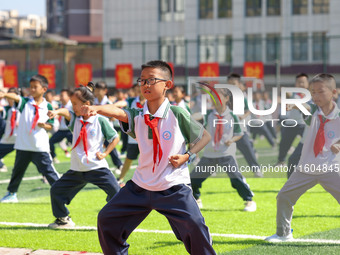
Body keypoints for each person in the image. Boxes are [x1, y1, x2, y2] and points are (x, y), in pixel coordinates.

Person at [81, 60, 216, 255]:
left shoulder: (177, 114)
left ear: (167, 85)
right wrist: (98, 109)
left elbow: (204, 136)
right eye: (142, 80)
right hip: (140, 187)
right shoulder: (138, 116)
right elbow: (119, 112)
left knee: (194, 225)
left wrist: (187, 156)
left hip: (173, 186)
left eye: (151, 80)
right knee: (106, 219)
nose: (145, 85)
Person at [265, 73, 340, 242]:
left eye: (320, 91)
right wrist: (297, 105)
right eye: (313, 92)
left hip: (331, 167)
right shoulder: (314, 111)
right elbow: (307, 108)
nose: (316, 96)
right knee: (284, 196)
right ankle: (283, 234)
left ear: (333, 92)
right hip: (306, 167)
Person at [47, 83, 121, 228]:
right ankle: (63, 219)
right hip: (77, 169)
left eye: (75, 104)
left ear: (87, 104)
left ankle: (116, 218)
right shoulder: (75, 119)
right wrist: (56, 112)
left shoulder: (100, 120)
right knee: (56, 190)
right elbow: (65, 112)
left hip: (96, 167)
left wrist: (105, 153)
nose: (72, 107)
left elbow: (115, 138)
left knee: (116, 192)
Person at [190, 88, 256, 212]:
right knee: (194, 178)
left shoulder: (232, 115)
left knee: (236, 178)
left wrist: (231, 140)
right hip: (209, 154)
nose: (215, 100)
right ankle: (196, 199)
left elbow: (239, 133)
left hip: (226, 153)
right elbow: (196, 117)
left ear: (226, 99)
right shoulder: (208, 114)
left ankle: (249, 200)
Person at [0, 74, 60, 203]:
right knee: (17, 171)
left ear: (44, 89)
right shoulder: (26, 102)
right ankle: (11, 194)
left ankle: (61, 193)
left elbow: (51, 125)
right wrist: (4, 95)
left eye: (35, 87)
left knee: (49, 171)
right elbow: (16, 97)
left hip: (39, 146)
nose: (32, 89)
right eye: (30, 87)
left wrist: (44, 125)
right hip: (23, 145)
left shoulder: (48, 106)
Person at [227, 73, 263, 177]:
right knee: (220, 150)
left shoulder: (243, 97)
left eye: (234, 83)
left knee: (247, 149)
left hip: (240, 128)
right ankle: (210, 170)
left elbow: (249, 109)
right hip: (227, 129)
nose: (232, 86)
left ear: (239, 84)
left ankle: (256, 169)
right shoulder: (224, 96)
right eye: (230, 84)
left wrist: (243, 116)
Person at [276, 73, 309, 166]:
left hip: (304, 124)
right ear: (295, 84)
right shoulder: (293, 94)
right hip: (292, 123)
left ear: (307, 83)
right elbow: (286, 93)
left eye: (303, 82)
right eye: (299, 82)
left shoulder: (310, 96)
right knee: (284, 143)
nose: (301, 84)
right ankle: (281, 161)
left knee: (309, 142)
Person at [117, 85, 146, 185]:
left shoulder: (151, 102)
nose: (141, 90)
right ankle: (120, 178)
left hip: (147, 138)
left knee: (148, 160)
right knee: (129, 159)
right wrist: (114, 105)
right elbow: (123, 102)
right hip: (134, 138)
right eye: (140, 88)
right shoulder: (131, 101)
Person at [49, 89, 73, 163]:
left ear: (69, 96)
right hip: (61, 130)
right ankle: (54, 158)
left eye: (62, 96)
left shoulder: (72, 105)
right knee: (50, 142)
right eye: (60, 96)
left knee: (77, 146)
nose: (61, 98)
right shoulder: (59, 105)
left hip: (70, 130)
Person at [0, 88, 21, 172]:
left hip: (21, 139)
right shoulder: (7, 109)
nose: (9, 99)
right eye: (7, 97)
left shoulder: (24, 107)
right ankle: (1, 166)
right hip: (9, 139)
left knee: (35, 158)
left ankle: (45, 175)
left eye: (11, 96)